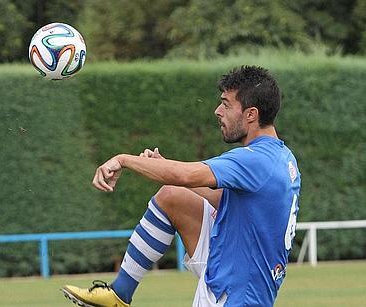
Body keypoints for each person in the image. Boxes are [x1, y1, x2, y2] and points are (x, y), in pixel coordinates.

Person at [62, 66, 301, 306]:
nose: (218, 111)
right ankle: (119, 294)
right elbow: (227, 200)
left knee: (176, 188)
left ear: (251, 114)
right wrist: (164, 168)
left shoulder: (254, 159)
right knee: (172, 196)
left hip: (234, 295)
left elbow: (186, 175)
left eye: (226, 104)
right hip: (236, 267)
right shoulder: (281, 157)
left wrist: (123, 160)